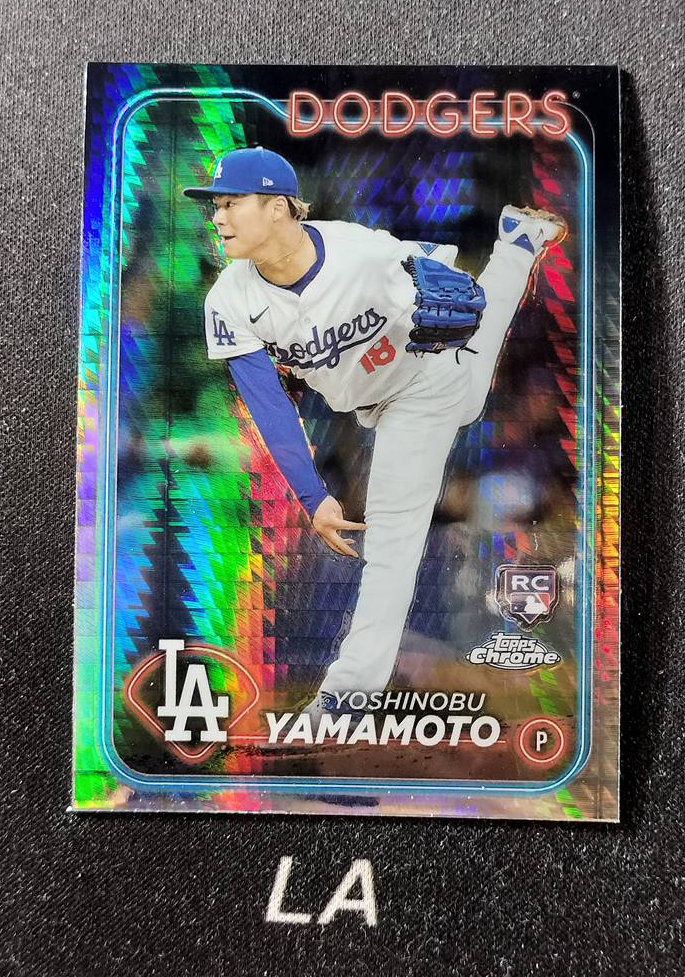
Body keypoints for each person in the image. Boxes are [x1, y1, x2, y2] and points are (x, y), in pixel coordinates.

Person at [184, 146, 566, 724]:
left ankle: (346, 697)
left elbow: (447, 279)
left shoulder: (360, 254)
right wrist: (314, 495)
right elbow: (269, 406)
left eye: (231, 203)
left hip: (423, 375)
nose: (218, 217)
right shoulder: (229, 300)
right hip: (371, 400)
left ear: (278, 207)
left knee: (392, 538)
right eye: (216, 206)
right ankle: (517, 245)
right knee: (470, 398)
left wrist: (450, 300)